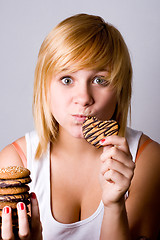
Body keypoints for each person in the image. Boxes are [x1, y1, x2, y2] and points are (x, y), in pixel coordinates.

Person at [0, 13, 160, 240]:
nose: (84, 97)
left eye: (100, 80)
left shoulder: (148, 160)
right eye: (67, 79)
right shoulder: (14, 162)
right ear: (44, 87)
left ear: (120, 90)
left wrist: (115, 206)